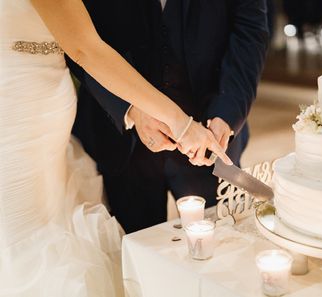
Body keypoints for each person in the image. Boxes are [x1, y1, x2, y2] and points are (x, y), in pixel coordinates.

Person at [0, 0, 231, 295]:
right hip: (16, 110)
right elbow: (84, 47)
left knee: (50, 217)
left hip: (46, 105)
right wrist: (179, 122)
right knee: (21, 235)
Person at [68, 0, 270, 233]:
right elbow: (77, 39)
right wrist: (129, 108)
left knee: (220, 245)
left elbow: (250, 28)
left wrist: (227, 113)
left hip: (208, 136)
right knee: (134, 251)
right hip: (119, 138)